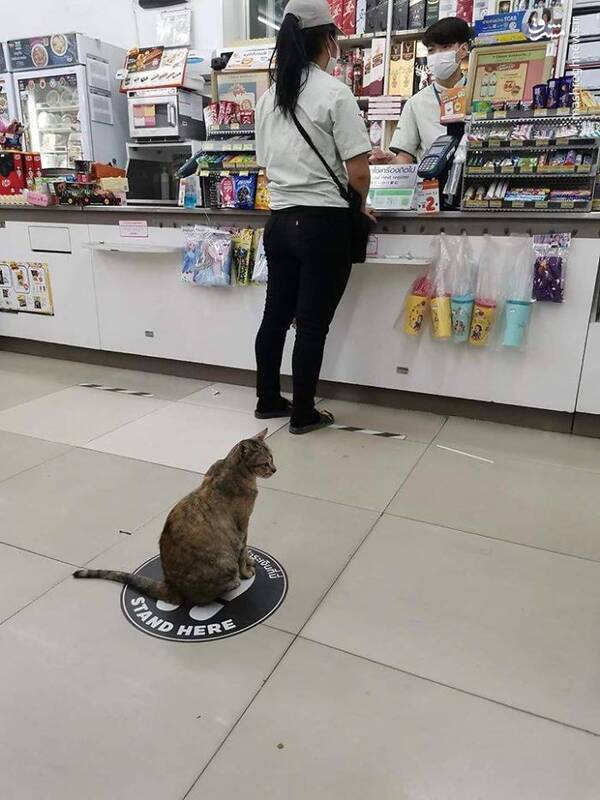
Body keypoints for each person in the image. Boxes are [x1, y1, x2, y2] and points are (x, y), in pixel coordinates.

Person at [254, 0, 373, 435]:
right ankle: (303, 413)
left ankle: (268, 399)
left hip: (279, 223)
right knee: (311, 325)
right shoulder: (334, 93)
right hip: (323, 225)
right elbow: (359, 172)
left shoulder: (268, 99)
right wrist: (359, 203)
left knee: (275, 317)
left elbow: (267, 165)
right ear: (328, 39)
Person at [371, 17, 471, 165]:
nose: (437, 54)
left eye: (445, 47)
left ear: (463, 50)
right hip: (432, 178)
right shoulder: (416, 103)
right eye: (431, 50)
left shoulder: (477, 93)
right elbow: (404, 158)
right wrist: (387, 163)